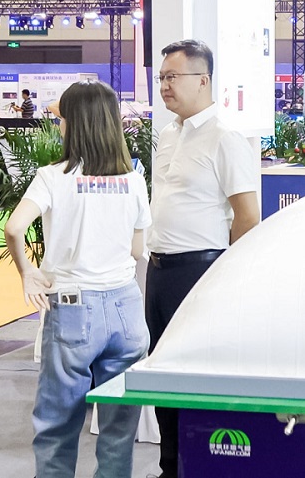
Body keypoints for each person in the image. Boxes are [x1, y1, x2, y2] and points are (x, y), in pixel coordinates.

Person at [5, 80, 151, 478]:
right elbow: (137, 249)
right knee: (119, 431)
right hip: (126, 308)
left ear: (74, 124)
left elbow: (15, 228)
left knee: (57, 427)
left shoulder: (53, 177)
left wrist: (28, 272)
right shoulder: (133, 179)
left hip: (73, 309)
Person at [148, 39, 260, 478]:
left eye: (172, 77)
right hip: (159, 271)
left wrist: (227, 278)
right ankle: (169, 466)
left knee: (196, 373)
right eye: (162, 77)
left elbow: (247, 216)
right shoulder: (167, 135)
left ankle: (198, 465)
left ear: (203, 80)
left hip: (201, 271)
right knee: (162, 371)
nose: (165, 85)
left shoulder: (225, 138)